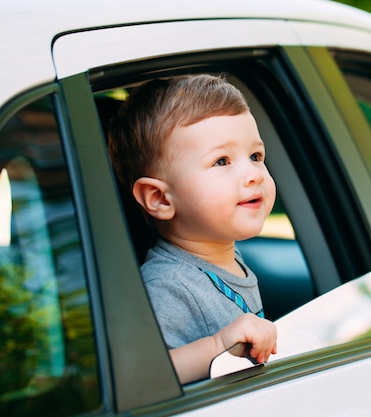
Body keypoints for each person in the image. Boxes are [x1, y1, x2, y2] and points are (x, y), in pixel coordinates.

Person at [107, 74, 278, 384]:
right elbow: (143, 376)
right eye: (222, 161)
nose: (253, 174)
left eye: (255, 156)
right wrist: (218, 346)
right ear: (159, 198)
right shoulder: (168, 286)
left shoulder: (224, 255)